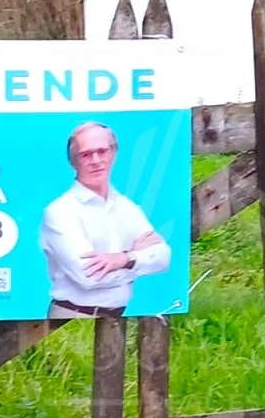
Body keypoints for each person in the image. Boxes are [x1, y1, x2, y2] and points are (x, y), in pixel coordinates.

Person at [39, 121, 171, 319]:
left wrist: (124, 259)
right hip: (72, 320)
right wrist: (138, 262)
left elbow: (164, 257)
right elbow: (88, 277)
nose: (96, 160)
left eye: (102, 151)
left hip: (118, 319)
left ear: (114, 154)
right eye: (86, 154)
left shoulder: (128, 208)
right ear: (73, 162)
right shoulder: (60, 211)